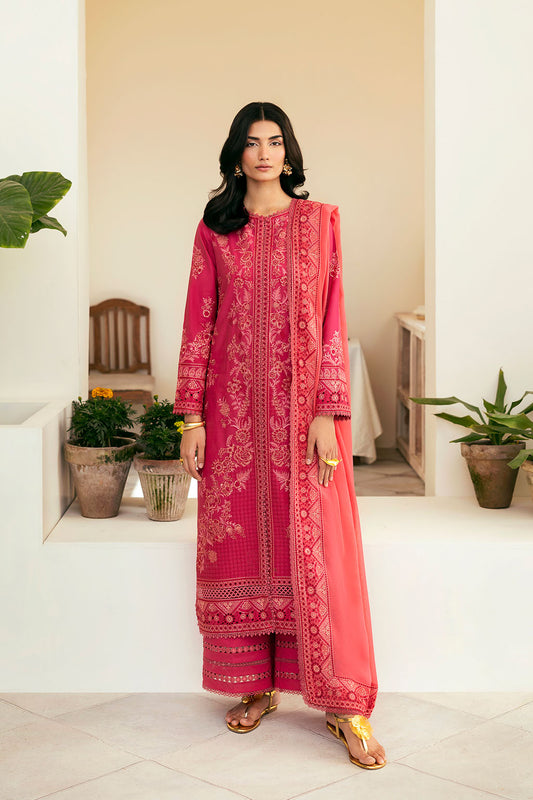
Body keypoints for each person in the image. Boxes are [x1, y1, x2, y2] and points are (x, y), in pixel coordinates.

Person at [173, 101, 386, 769]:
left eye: (274, 141)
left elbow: (331, 318)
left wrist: (329, 410)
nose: (263, 152)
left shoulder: (319, 222)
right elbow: (197, 324)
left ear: (288, 153)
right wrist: (192, 418)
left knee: (321, 551)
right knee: (242, 547)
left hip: (302, 421)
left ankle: (345, 703)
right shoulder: (217, 229)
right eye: (250, 142)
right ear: (235, 155)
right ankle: (256, 688)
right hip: (233, 419)